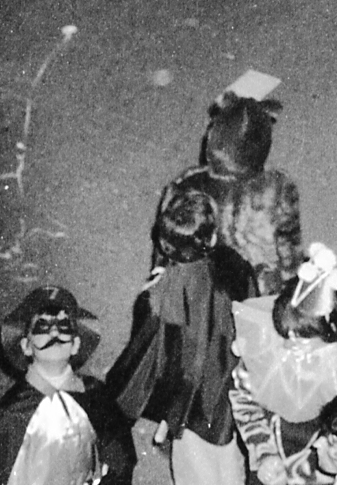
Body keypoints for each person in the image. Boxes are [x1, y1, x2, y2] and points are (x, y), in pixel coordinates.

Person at [106, 170, 258, 485]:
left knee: (195, 464)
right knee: (227, 454)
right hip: (229, 384)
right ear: (212, 237)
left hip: (191, 400)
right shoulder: (234, 265)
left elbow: (153, 354)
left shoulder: (162, 294)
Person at [229, 245, 337, 480]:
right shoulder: (269, 346)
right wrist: (263, 452)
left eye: (300, 339)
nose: (287, 346)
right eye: (285, 333)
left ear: (329, 334)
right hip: (272, 465)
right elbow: (244, 400)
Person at [0, 285, 136, 485]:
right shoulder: (11, 415)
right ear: (26, 346)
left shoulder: (96, 397)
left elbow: (121, 460)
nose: (54, 332)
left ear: (75, 344)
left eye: (64, 326)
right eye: (42, 326)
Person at [200, 90, 303, 296]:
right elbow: (288, 246)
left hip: (210, 285)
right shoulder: (278, 186)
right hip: (259, 284)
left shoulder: (189, 183)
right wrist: (291, 283)